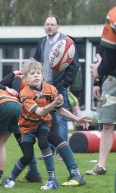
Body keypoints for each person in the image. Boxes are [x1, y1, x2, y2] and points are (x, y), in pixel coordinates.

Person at [3, 59, 89, 190]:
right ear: (26, 78)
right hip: (26, 127)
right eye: (32, 73)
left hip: (43, 123)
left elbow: (59, 109)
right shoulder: (25, 93)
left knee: (43, 142)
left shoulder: (50, 89)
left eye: (38, 72)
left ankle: (52, 180)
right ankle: (11, 177)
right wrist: (53, 104)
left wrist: (77, 119)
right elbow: (39, 111)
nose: (36, 75)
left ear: (43, 75)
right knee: (27, 156)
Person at [34, 14, 80, 156]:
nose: (49, 27)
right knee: (46, 119)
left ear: (58, 26)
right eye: (47, 24)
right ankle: (48, 150)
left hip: (58, 87)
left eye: (52, 24)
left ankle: (62, 152)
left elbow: (74, 66)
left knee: (60, 119)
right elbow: (35, 63)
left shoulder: (67, 42)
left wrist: (64, 83)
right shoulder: (41, 42)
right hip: (43, 88)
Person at [88, 6, 116, 175]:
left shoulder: (113, 15)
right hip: (112, 81)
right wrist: (97, 81)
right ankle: (101, 166)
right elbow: (103, 52)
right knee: (107, 123)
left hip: (109, 75)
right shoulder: (111, 17)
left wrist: (99, 70)